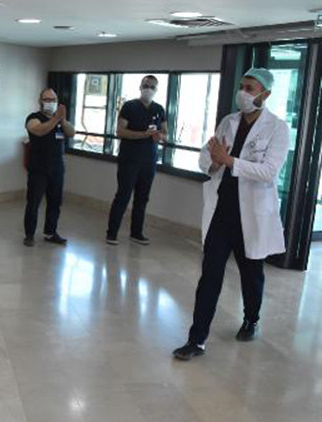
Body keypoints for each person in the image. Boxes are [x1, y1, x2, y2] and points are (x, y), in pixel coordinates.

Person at [173, 68, 290, 361]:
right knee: (210, 275)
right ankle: (196, 339)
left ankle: (251, 319)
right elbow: (208, 155)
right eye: (242, 86)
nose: (243, 93)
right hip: (222, 212)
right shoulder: (228, 121)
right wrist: (215, 162)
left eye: (250, 88)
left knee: (251, 274)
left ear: (265, 94)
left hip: (252, 215)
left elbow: (269, 171)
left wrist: (230, 161)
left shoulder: (278, 128)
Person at [106, 75, 168, 246]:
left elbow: (165, 134)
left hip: (149, 161)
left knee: (142, 198)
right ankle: (112, 233)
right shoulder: (129, 106)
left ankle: (136, 233)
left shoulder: (159, 109)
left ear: (156, 90)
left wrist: (159, 136)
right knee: (123, 196)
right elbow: (120, 131)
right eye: (146, 85)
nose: (149, 89)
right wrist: (143, 135)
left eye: (152, 87)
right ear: (140, 87)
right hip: (129, 160)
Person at [23, 88, 75, 247]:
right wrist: (55, 120)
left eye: (53, 100)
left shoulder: (60, 120)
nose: (50, 103)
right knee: (33, 203)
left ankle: (51, 232)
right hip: (38, 168)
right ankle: (29, 235)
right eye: (47, 99)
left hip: (57, 168)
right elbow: (38, 131)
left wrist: (62, 120)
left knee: (55, 202)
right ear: (40, 101)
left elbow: (71, 133)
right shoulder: (33, 118)